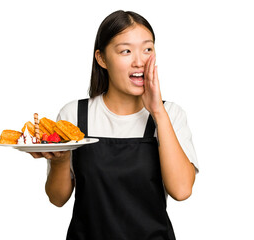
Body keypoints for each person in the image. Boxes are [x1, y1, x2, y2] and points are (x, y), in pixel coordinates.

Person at [30, 10, 199, 240]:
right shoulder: (75, 115)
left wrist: (157, 111)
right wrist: (60, 161)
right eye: (126, 51)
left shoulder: (170, 114)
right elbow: (57, 198)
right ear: (101, 59)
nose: (139, 61)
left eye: (147, 49)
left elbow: (181, 191)